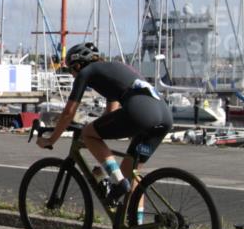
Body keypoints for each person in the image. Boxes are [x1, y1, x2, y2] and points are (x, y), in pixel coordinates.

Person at [37, 42, 173, 207]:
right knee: (132, 174)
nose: (72, 75)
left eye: (71, 70)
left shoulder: (86, 72)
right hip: (164, 117)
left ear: (78, 65)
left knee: (88, 134)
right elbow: (110, 114)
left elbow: (68, 113)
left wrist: (51, 140)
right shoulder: (112, 70)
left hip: (141, 113)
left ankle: (118, 183)